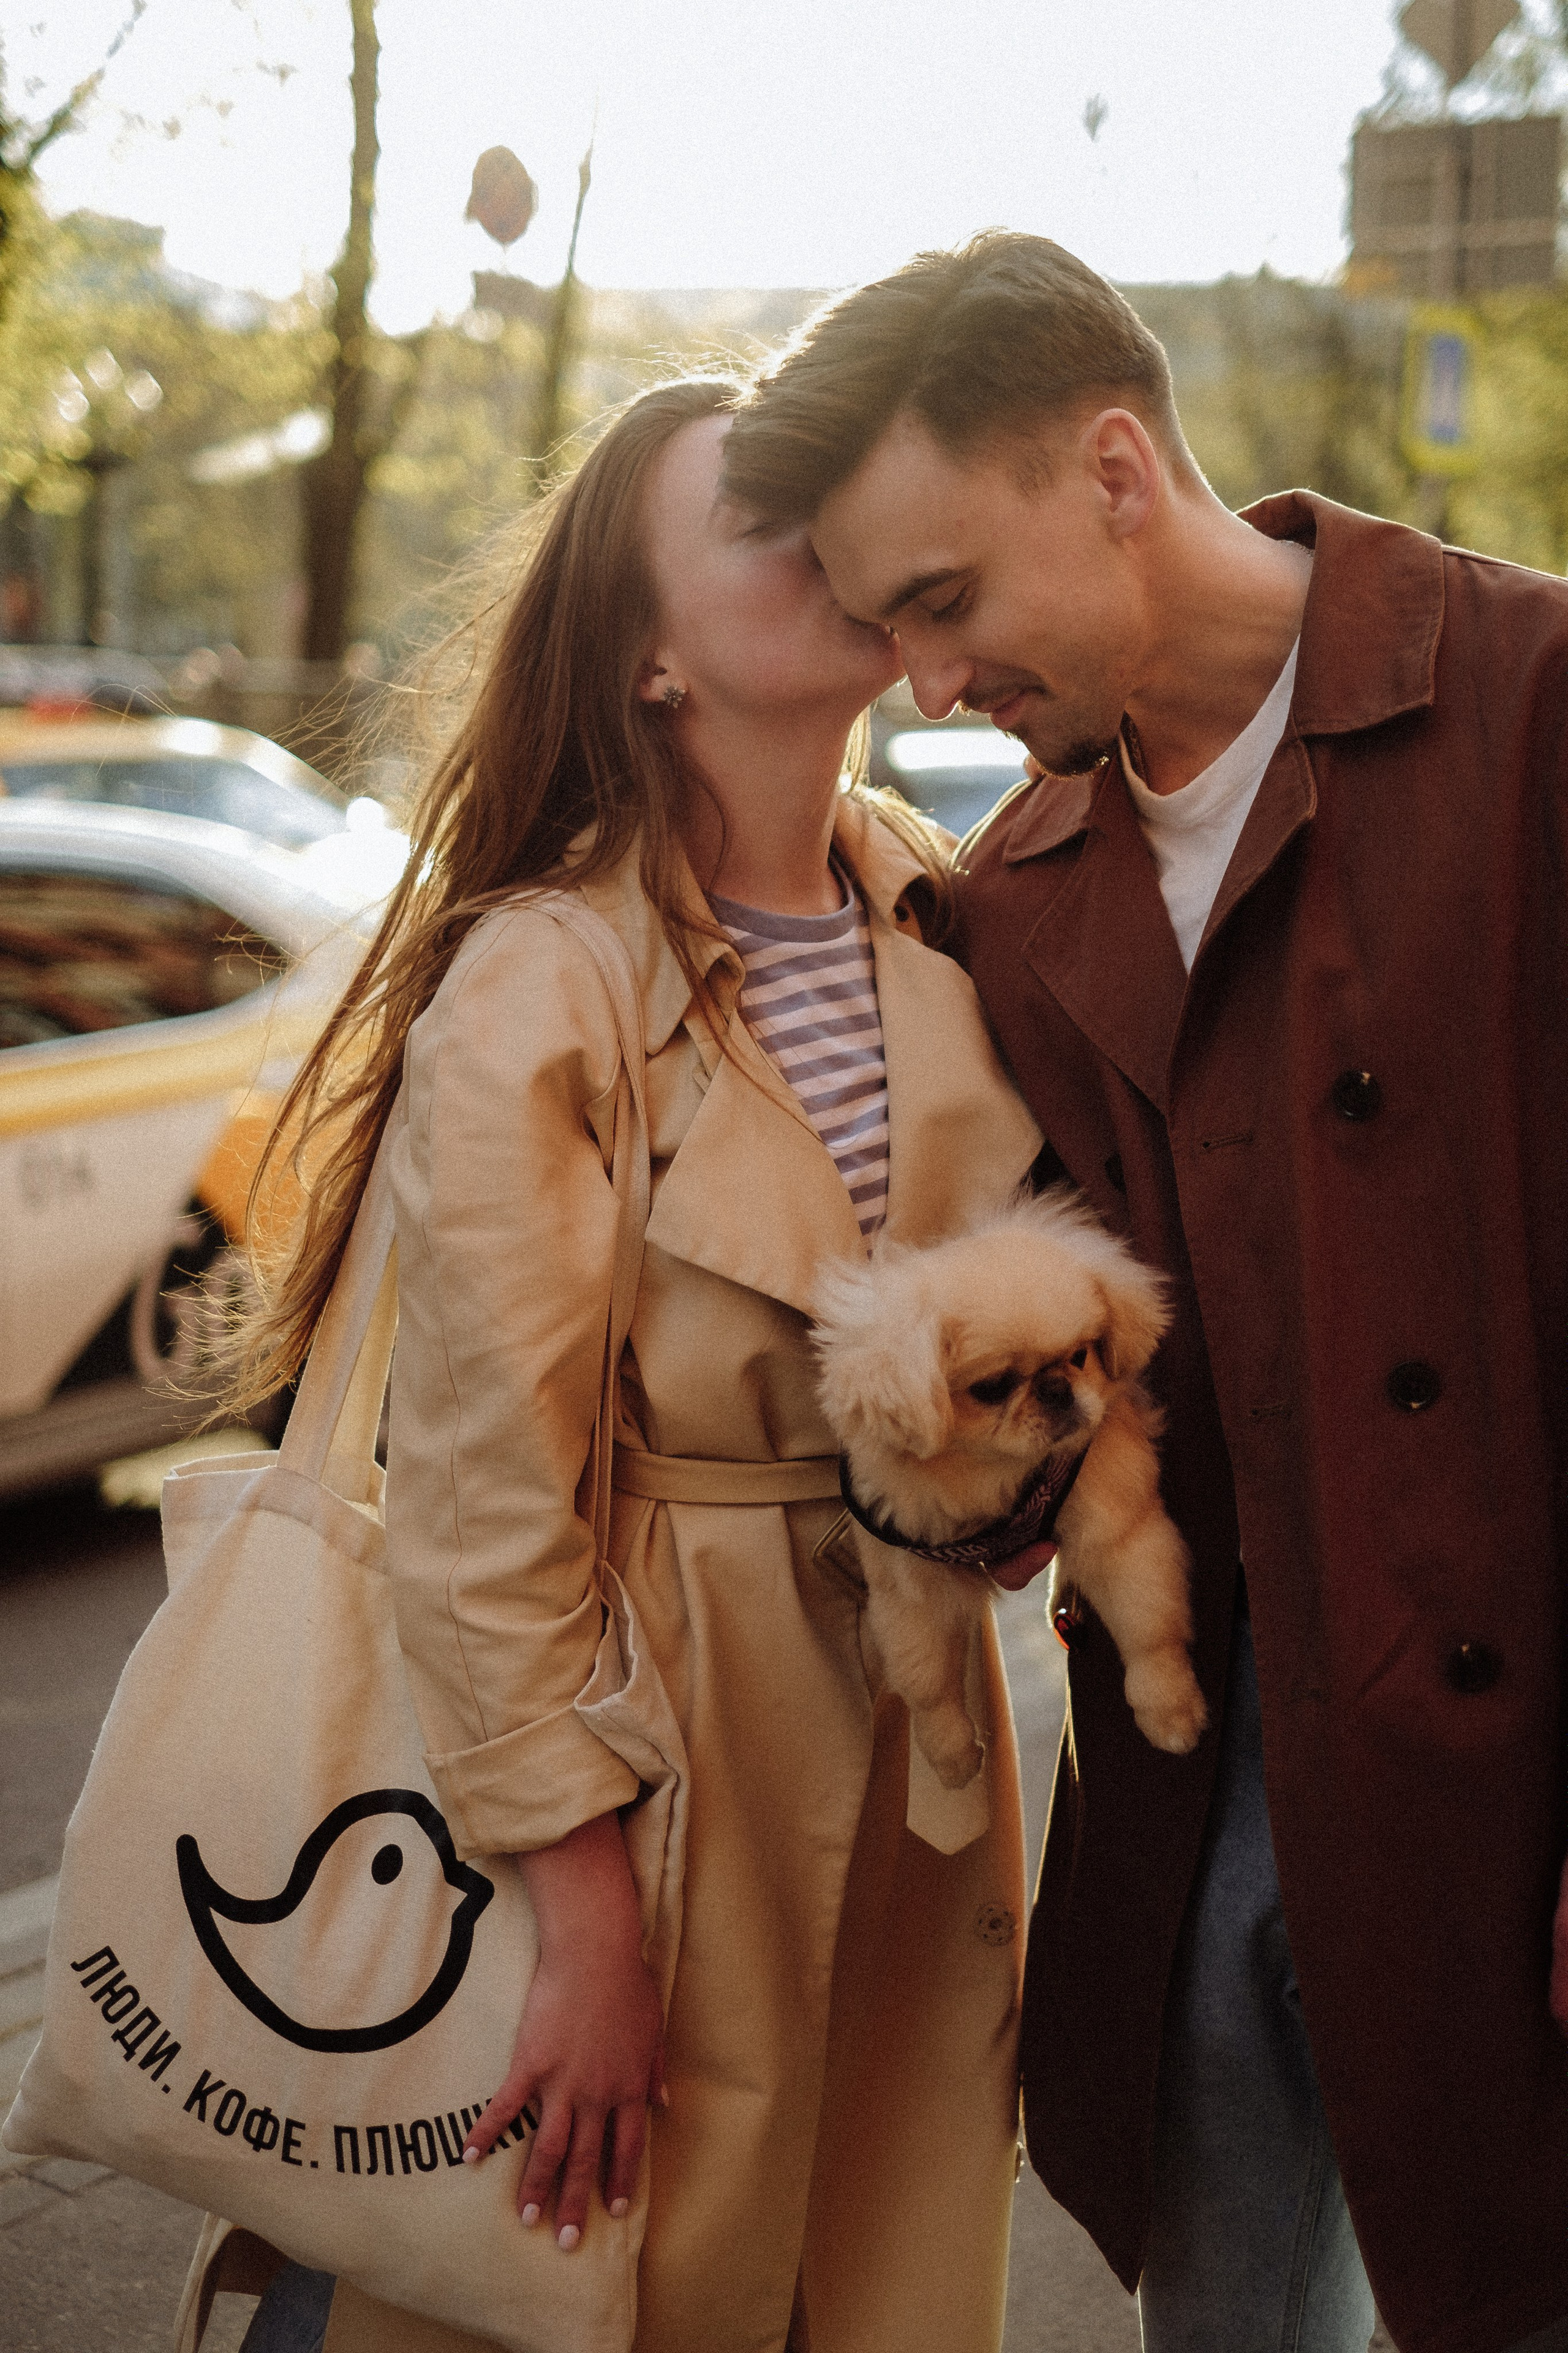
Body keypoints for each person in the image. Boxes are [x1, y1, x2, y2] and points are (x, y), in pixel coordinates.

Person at [721, 234, 1568, 2353]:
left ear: (1113, 471)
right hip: (1206, 1773)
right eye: (891, 630)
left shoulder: (1537, 711)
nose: (929, 685)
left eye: (945, 600)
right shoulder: (1017, 897)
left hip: (1524, 1745)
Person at [215, 374, 1042, 2353]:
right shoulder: (545, 976)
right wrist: (584, 1917)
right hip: (655, 1761)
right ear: (651, 657)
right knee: (595, 2287)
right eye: (758, 512)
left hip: (910, 1744)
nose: (822, 530)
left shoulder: (938, 905)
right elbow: (482, 1506)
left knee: (861, 2278)